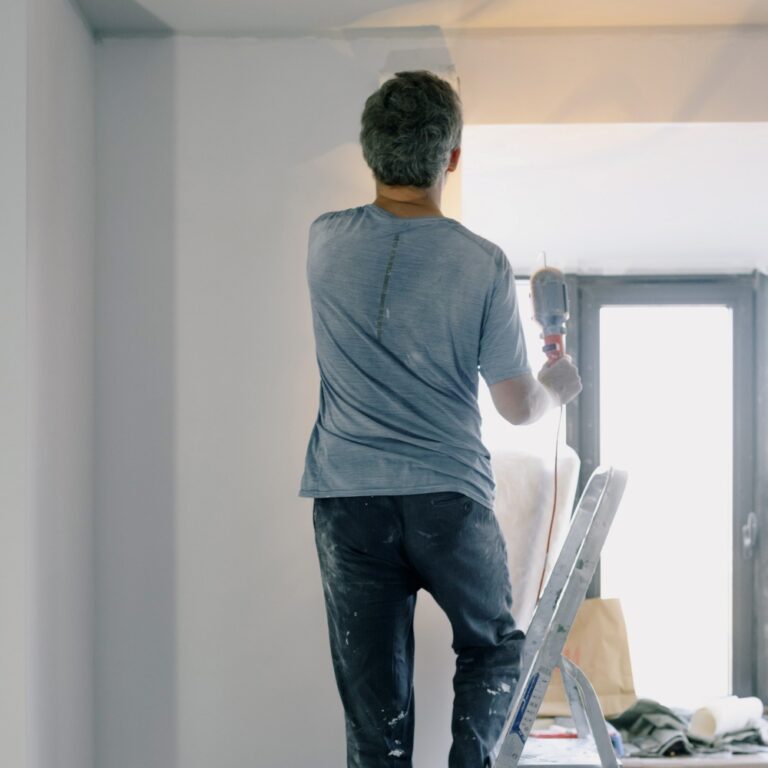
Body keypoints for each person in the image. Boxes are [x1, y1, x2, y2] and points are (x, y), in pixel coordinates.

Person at [299, 70, 582, 768]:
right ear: (451, 157)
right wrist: (556, 385)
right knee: (493, 648)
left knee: (375, 721)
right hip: (447, 500)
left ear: (370, 153)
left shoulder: (324, 242)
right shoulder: (481, 263)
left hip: (349, 503)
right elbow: (516, 405)